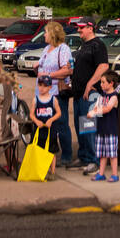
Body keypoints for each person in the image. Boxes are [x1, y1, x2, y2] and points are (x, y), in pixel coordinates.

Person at [70, 18, 109, 175]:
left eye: (81, 28)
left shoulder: (98, 45)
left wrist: (90, 83)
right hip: (79, 94)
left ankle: (95, 161)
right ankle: (85, 157)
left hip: (92, 95)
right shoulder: (84, 45)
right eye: (78, 28)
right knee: (81, 127)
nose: (79, 30)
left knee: (90, 127)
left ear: (90, 28)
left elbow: (104, 66)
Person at [36, 21, 75, 168]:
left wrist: (48, 75)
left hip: (56, 93)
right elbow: (41, 66)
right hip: (43, 94)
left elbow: (68, 70)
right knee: (46, 124)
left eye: (46, 32)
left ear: (53, 33)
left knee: (61, 122)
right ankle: (49, 154)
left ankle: (67, 155)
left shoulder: (63, 49)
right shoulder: (46, 49)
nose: (44, 35)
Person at [89, 72, 120, 182]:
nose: (101, 84)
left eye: (103, 82)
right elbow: (96, 107)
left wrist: (94, 112)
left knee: (112, 154)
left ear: (111, 83)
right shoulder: (102, 96)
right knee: (102, 154)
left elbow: (107, 109)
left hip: (111, 129)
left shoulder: (114, 97)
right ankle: (101, 173)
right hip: (101, 129)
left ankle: (115, 174)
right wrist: (92, 112)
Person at [30, 75, 62, 181]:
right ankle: (41, 170)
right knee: (39, 150)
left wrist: (51, 120)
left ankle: (52, 172)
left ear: (50, 87)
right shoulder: (35, 99)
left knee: (51, 151)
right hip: (39, 130)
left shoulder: (53, 99)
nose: (42, 88)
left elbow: (59, 113)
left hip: (50, 130)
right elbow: (31, 114)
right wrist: (36, 121)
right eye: (40, 85)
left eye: (44, 86)